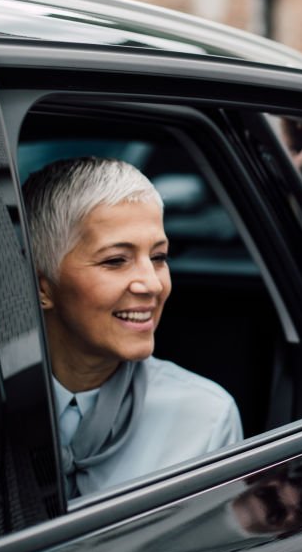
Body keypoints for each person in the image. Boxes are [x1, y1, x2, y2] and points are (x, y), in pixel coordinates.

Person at [23, 157, 242, 498]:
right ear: (42, 287)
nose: (152, 284)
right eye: (115, 260)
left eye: (159, 257)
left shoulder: (206, 418)